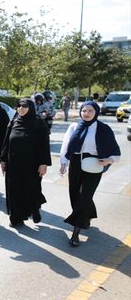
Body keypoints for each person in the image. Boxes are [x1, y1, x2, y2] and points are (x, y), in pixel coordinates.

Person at [59, 101, 120, 246]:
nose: (86, 114)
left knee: (85, 196)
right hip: (76, 162)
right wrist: (63, 163)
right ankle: (88, 214)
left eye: (90, 111)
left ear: (96, 113)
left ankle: (75, 233)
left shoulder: (104, 129)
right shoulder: (74, 126)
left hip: (94, 164)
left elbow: (114, 150)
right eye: (84, 110)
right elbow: (66, 144)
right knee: (74, 194)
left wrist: (109, 160)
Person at [0, 99, 51, 227]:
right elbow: (6, 142)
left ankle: (34, 208)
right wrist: (3, 160)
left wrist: (43, 163)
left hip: (32, 164)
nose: (21, 108)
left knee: (31, 189)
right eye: (19, 106)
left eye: (24, 106)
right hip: (13, 163)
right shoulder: (14, 121)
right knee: (14, 190)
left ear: (31, 108)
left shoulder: (38, 123)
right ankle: (16, 217)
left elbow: (45, 145)